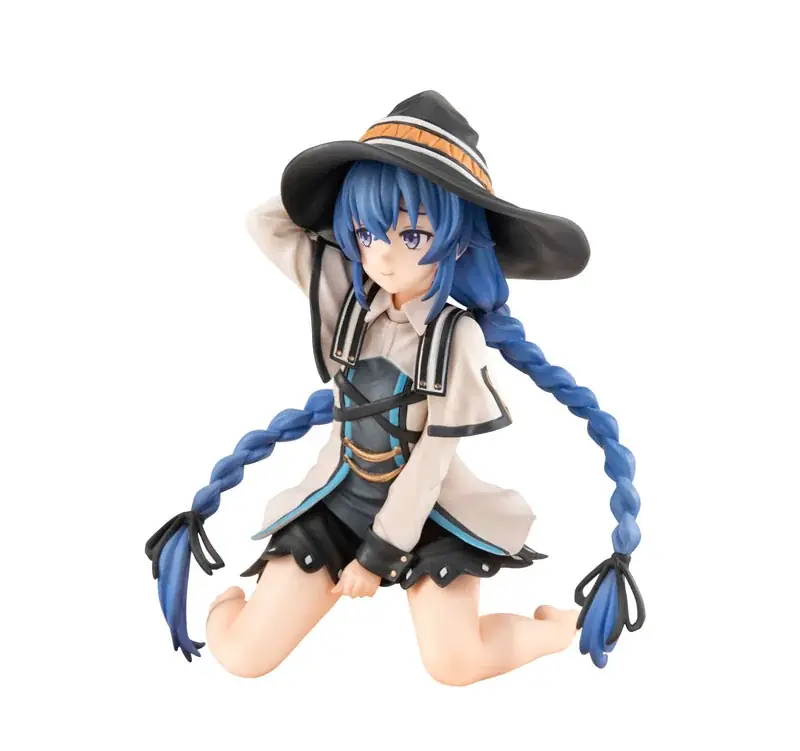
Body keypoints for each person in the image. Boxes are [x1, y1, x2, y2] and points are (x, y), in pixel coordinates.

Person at [146, 90, 644, 685]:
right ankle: (235, 602)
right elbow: (265, 222)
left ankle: (556, 628)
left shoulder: (456, 338)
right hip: (338, 497)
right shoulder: (347, 302)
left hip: (432, 513)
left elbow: (431, 461)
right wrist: (351, 187)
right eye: (366, 234)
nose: (382, 258)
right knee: (243, 656)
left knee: (455, 664)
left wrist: (378, 554)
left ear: (457, 241)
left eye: (411, 237)